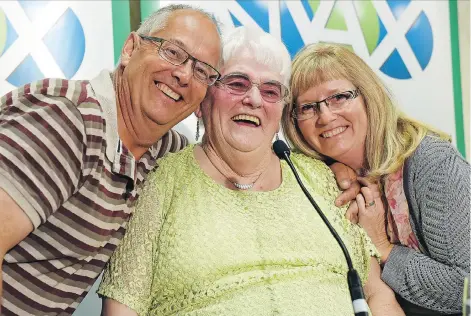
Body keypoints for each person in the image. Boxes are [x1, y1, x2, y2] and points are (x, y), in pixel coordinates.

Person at [97, 26, 404, 316]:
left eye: (271, 91)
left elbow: (375, 292)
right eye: (237, 83)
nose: (254, 99)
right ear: (204, 99)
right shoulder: (160, 181)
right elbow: (123, 305)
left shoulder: (321, 180)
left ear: (281, 110)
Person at [0, 5, 222, 315]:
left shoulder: (167, 154)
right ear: (131, 48)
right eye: (172, 52)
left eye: (202, 71)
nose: (184, 74)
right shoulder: (70, 120)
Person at [282, 43, 470, 315]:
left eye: (339, 97)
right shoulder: (318, 177)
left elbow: (464, 286)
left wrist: (383, 246)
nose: (325, 116)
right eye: (308, 107)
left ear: (368, 95)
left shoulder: (432, 163)